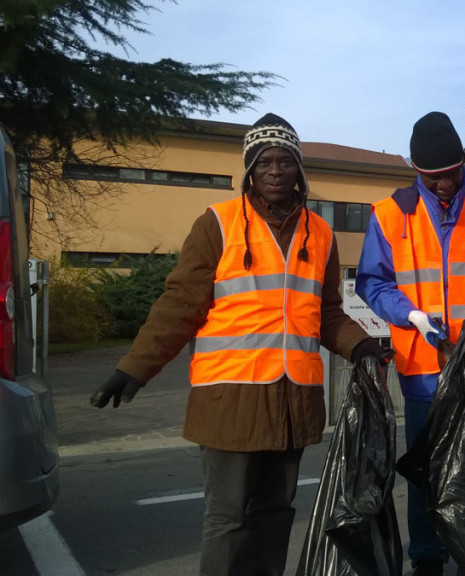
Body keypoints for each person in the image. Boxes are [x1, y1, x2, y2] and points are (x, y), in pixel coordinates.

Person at [89, 113, 387, 576]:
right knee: (229, 519)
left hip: (294, 399)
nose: (274, 171)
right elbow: (180, 304)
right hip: (229, 397)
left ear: (298, 170)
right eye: (263, 162)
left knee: (275, 513)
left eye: (284, 161)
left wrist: (361, 345)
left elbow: (326, 311)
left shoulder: (320, 232)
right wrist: (134, 368)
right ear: (249, 170)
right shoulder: (217, 224)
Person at [355, 111, 465, 576]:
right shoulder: (391, 213)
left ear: (463, 163)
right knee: (427, 469)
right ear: (417, 171)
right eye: (433, 177)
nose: (444, 184)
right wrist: (407, 314)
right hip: (423, 370)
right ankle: (427, 557)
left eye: (451, 174)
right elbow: (373, 282)